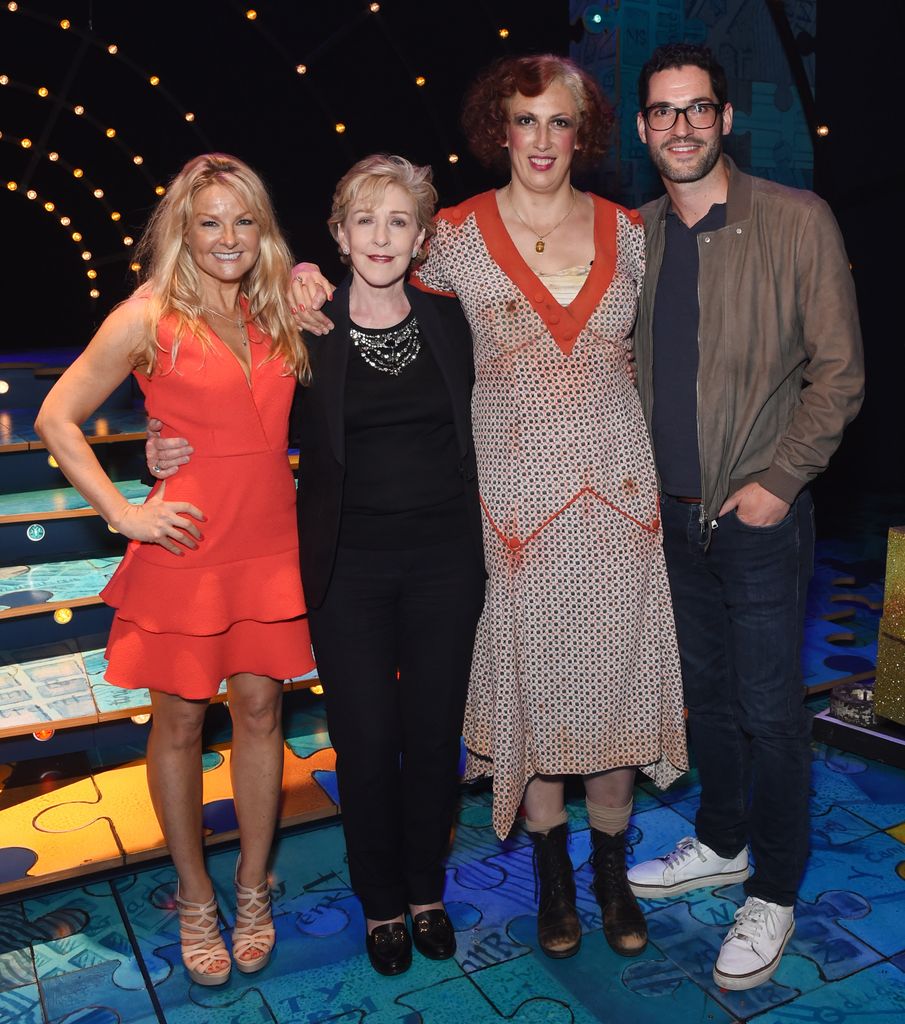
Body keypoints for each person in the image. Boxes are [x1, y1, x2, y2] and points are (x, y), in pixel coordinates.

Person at [290, 55, 688, 961]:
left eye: (559, 122)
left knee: (617, 693)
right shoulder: (453, 236)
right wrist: (298, 276)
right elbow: (369, 259)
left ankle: (612, 876)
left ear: (582, 131)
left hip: (618, 505)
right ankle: (552, 882)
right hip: (511, 514)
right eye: (524, 121)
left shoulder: (633, 234)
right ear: (497, 130)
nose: (542, 140)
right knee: (537, 698)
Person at [148, 154, 486, 978]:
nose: (381, 236)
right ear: (336, 235)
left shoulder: (451, 318)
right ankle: (379, 903)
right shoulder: (298, 326)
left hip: (446, 565)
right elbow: (227, 407)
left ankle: (425, 893)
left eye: (398, 221)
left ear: (420, 237)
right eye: (363, 221)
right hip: (345, 572)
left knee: (432, 734)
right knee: (364, 742)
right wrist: (165, 452)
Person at [35, 153, 314, 986]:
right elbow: (57, 416)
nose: (227, 237)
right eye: (208, 221)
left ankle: (253, 886)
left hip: (269, 543)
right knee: (182, 724)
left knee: (263, 715)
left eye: (243, 220)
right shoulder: (148, 314)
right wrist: (125, 511)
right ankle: (196, 894)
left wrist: (307, 277)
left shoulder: (278, 307)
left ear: (260, 228)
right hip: (186, 547)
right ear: (182, 231)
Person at [626, 43, 864, 990]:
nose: (679, 126)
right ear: (644, 129)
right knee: (708, 703)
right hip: (667, 521)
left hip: (758, 515)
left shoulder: (795, 221)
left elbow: (839, 372)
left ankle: (772, 884)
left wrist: (777, 483)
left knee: (771, 712)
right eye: (660, 112)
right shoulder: (632, 235)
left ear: (725, 119)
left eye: (695, 109)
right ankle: (719, 840)